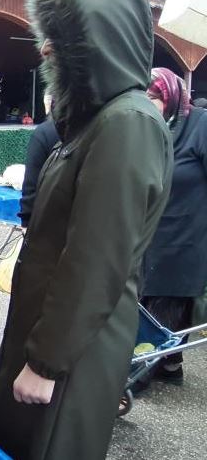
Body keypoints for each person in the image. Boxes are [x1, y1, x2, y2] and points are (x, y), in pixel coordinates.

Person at [0, 0, 173, 460]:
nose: (46, 50)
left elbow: (96, 259)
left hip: (73, 354)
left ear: (101, 45)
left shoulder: (127, 123)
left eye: (63, 40)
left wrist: (46, 363)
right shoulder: (96, 122)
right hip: (54, 336)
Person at [138, 67, 207, 387]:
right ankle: (169, 365)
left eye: (154, 96)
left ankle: (136, 376)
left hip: (185, 239)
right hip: (150, 235)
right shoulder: (150, 128)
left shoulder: (199, 126)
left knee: (164, 308)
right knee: (146, 304)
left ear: (171, 95)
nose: (148, 102)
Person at [18, 93, 59, 227]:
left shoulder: (45, 132)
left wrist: (26, 221)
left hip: (51, 220)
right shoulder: (100, 128)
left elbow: (31, 183)